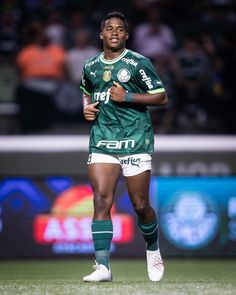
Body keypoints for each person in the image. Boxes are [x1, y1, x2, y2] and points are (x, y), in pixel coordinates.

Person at [80, 11, 168, 282]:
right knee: (101, 199)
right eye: (109, 28)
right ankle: (103, 267)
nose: (114, 32)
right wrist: (87, 109)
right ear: (102, 34)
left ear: (126, 35)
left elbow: (161, 97)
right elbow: (86, 93)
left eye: (120, 29)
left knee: (140, 205)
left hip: (135, 139)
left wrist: (127, 95)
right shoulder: (90, 65)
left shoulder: (138, 62)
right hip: (103, 139)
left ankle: (152, 248)